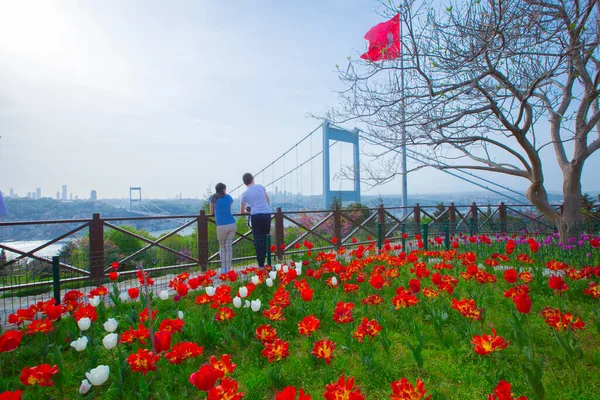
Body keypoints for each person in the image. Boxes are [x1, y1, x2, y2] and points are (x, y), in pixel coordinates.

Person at [239, 173, 271, 268]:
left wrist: (249, 210)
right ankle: (267, 261)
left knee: (258, 239)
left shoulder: (244, 194)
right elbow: (267, 199)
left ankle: (260, 263)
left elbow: (242, 211)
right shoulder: (260, 187)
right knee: (266, 237)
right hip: (266, 214)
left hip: (255, 215)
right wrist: (265, 208)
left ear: (244, 182)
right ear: (253, 179)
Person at [209, 183, 236, 273]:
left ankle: (223, 269)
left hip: (221, 225)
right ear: (224, 189)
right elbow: (230, 210)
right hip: (232, 224)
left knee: (222, 247)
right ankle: (229, 268)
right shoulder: (229, 197)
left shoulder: (213, 198)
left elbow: (211, 212)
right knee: (229, 246)